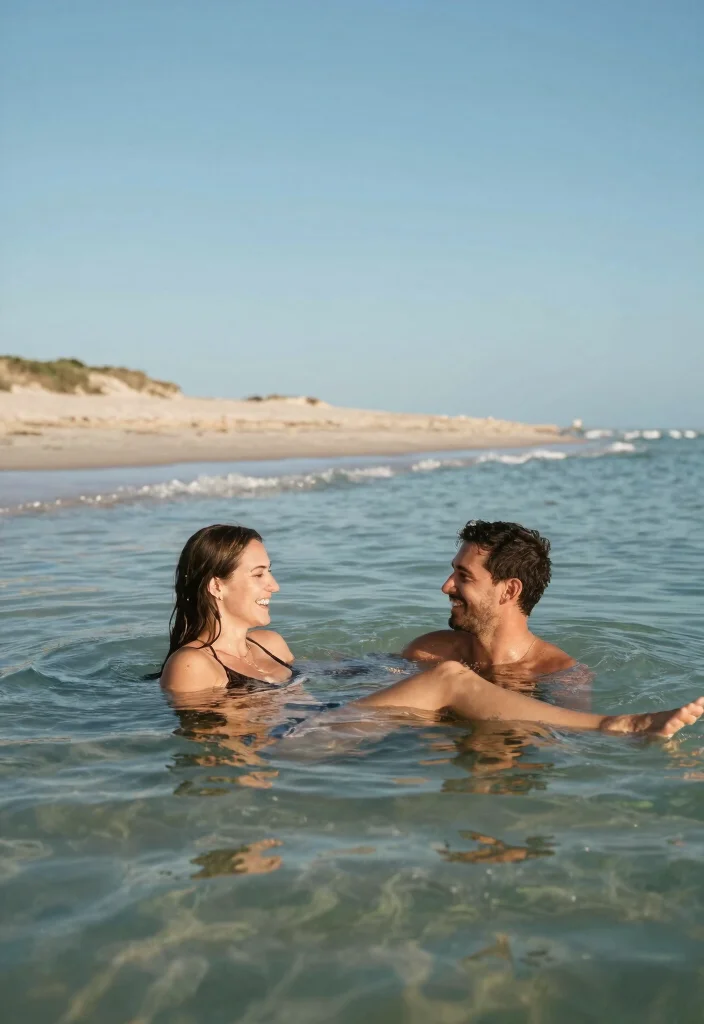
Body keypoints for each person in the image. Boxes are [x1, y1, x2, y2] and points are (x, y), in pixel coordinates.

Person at [158, 523, 704, 739]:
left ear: (508, 591)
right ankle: (619, 726)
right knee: (445, 678)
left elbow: (331, 679)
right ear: (215, 585)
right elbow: (212, 751)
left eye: (461, 575)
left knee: (471, 739)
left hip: (316, 726)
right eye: (260, 573)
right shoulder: (192, 664)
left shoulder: (270, 644)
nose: (274, 584)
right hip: (289, 745)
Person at [403, 520, 574, 680]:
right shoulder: (428, 652)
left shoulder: (559, 673)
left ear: (509, 590)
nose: (446, 587)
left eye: (464, 576)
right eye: (453, 572)